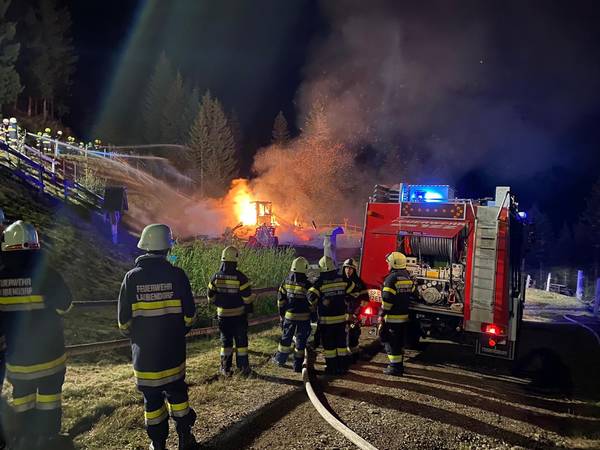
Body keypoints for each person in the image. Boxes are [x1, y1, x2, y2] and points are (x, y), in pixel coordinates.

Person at [118, 224, 198, 450]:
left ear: (144, 246)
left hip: (145, 358)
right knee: (178, 394)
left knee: (152, 401)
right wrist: (179, 332)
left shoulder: (131, 278)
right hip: (173, 353)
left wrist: (138, 337)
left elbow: (123, 323)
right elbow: (190, 316)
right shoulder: (177, 275)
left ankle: (158, 443)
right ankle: (185, 438)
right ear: (167, 247)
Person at [0, 221, 72, 450]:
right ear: (35, 245)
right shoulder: (47, 275)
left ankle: (25, 436)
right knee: (49, 398)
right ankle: (47, 437)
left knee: (22, 398)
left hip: (17, 360)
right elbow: (65, 306)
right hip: (50, 357)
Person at [207, 246, 254, 377]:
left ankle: (225, 368)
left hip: (223, 317)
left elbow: (210, 296)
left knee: (226, 343)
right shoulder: (241, 277)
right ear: (235, 260)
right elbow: (247, 298)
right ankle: (243, 368)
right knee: (241, 342)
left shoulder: (215, 277)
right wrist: (249, 310)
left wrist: (218, 303)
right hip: (239, 316)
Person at [308, 256, 355, 375]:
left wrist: (321, 300)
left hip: (326, 321)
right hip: (341, 320)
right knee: (341, 344)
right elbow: (352, 287)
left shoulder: (320, 281)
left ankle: (332, 368)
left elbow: (311, 297)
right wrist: (343, 296)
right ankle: (342, 367)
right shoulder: (342, 278)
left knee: (329, 346)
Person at [273, 257, 314, 372]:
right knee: (301, 341)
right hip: (304, 318)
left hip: (289, 316)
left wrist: (281, 314)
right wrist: (313, 315)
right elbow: (312, 302)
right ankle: (297, 365)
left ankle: (280, 360)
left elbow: (280, 300)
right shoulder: (308, 284)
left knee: (286, 339)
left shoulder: (286, 281)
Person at [379, 251, 415, 376]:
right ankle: (399, 366)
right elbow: (413, 293)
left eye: (388, 262)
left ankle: (394, 367)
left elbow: (387, 300)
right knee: (399, 343)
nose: (387, 265)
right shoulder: (407, 277)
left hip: (392, 318)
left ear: (394, 263)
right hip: (403, 318)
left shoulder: (391, 279)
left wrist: (381, 314)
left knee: (391, 343)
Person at [341, 258, 369, 363]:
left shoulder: (359, 283)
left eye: (351, 268)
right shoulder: (339, 281)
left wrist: (357, 310)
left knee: (353, 335)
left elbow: (365, 299)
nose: (348, 270)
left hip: (354, 316)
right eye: (346, 268)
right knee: (341, 336)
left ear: (354, 270)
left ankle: (354, 357)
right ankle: (343, 358)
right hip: (341, 315)